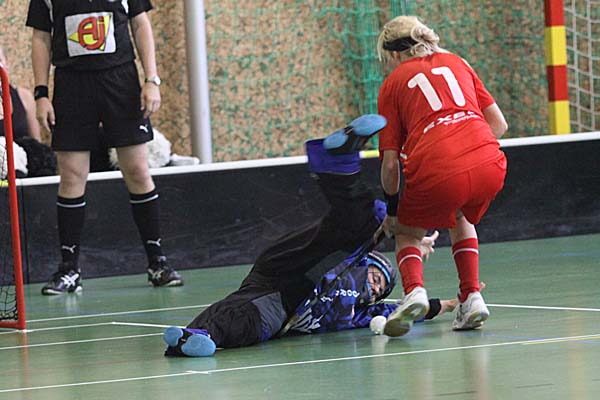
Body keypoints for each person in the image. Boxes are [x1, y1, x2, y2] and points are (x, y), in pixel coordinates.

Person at [162, 117, 453, 357]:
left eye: (381, 289)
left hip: (282, 300)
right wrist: (412, 242)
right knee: (361, 227)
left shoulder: (359, 311)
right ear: (370, 264)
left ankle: (191, 338)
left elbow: (405, 310)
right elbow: (359, 248)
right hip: (297, 271)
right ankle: (339, 162)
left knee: (251, 323)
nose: (376, 288)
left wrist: (454, 303)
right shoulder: (355, 265)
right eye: (378, 278)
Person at [26, 0, 183, 294]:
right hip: (71, 84)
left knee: (137, 171)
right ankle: (69, 269)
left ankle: (158, 263)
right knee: (71, 176)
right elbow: (41, 37)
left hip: (120, 80)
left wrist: (152, 79)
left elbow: (140, 23)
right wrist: (41, 93)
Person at [374, 16, 508, 336]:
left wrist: (392, 212)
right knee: (461, 215)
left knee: (408, 232)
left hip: (440, 167)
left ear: (394, 54)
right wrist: (467, 148)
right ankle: (471, 297)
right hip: (490, 163)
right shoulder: (459, 62)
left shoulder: (392, 84)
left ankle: (414, 293)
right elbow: (499, 125)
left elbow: (390, 166)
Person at [0, 46, 41, 142]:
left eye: (0, 60)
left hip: (22, 150)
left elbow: (36, 142)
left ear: (6, 63)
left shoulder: (24, 97)